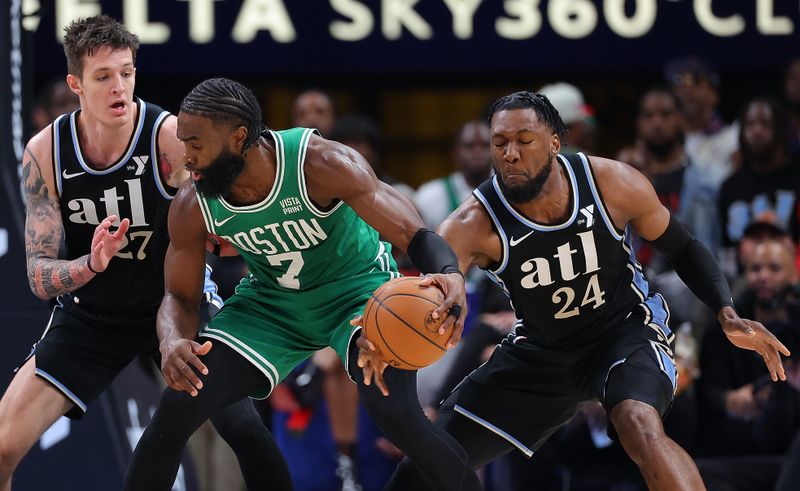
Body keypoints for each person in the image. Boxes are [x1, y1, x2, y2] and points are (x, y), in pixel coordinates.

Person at [386, 91, 790, 491]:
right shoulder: (472, 223)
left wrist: (726, 310)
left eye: (524, 141)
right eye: (499, 143)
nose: (510, 153)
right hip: (543, 353)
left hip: (624, 331)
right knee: (424, 469)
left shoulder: (611, 183)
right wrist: (404, 325)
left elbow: (682, 246)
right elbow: (432, 287)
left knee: (638, 423)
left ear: (555, 143)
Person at [123, 78, 480, 491]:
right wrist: (171, 339)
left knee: (396, 415)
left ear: (238, 138)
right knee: (177, 407)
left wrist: (450, 272)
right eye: (184, 143)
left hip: (357, 294)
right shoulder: (193, 202)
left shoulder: (319, 163)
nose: (186, 157)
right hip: (271, 305)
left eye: (196, 144)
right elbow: (178, 295)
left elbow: (410, 232)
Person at [0, 15, 286, 491]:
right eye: (103, 77)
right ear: (75, 84)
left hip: (173, 301)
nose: (119, 87)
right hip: (93, 314)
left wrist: (224, 229)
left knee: (240, 424)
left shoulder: (168, 136)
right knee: (4, 446)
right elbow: (38, 274)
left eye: (127, 73)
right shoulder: (45, 153)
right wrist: (90, 262)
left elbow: (227, 208)